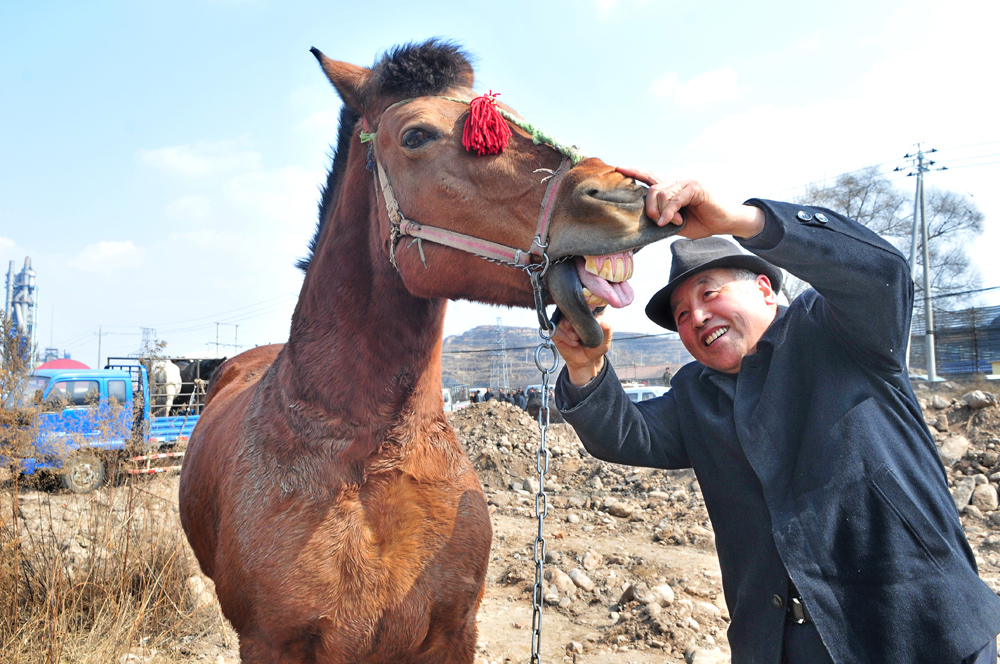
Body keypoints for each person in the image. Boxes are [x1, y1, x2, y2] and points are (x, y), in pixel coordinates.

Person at [552, 169, 1000, 664]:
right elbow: (626, 435)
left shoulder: (838, 331)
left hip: (917, 627)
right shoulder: (694, 395)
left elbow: (881, 271)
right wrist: (586, 367)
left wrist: (747, 220)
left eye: (709, 293)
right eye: (681, 315)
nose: (696, 318)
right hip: (783, 644)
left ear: (765, 289)